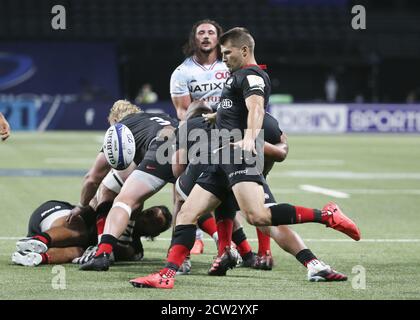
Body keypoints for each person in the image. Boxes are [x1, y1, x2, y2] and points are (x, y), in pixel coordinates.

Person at [130, 27, 360, 289]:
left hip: (238, 153)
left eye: (227, 53)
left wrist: (250, 138)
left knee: (258, 217)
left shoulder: (252, 76)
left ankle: (326, 215)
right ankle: (166, 275)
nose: (224, 58)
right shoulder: (235, 76)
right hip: (220, 157)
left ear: (244, 50)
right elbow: (236, 107)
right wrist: (216, 117)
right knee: (186, 214)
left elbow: (255, 107)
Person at [175, 100, 348, 281]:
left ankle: (183, 262)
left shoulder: (189, 126)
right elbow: (281, 151)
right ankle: (313, 262)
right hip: (246, 171)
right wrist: (260, 174)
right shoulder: (267, 121)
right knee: (265, 220)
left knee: (188, 208)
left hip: (213, 173)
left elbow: (177, 171)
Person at [78, 101, 179, 271]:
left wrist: (81, 205)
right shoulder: (162, 117)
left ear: (115, 120)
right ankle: (230, 250)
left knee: (124, 200)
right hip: (193, 148)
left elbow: (93, 178)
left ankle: (102, 253)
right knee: (186, 204)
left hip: (161, 150)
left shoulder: (121, 127)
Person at [11, 200, 172, 267]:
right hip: (57, 214)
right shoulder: (119, 208)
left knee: (79, 252)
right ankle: (38, 240)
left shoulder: (136, 249)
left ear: (155, 234)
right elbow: (95, 203)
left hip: (66, 242)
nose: (148, 219)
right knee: (80, 231)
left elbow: (125, 251)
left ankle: (34, 256)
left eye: (156, 223)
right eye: (150, 213)